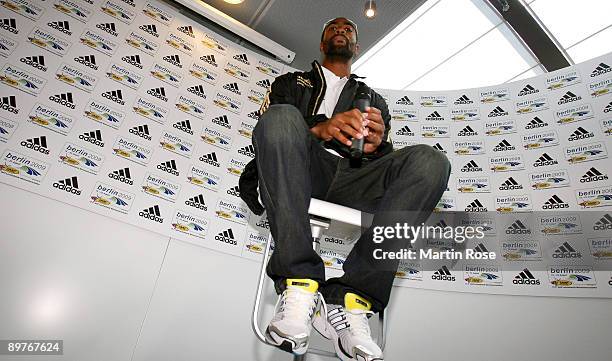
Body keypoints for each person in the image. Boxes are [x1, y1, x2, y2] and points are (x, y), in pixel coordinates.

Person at [239, 17, 450, 360]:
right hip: (303, 169)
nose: (341, 31)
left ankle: (350, 301)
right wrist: (322, 128)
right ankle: (299, 285)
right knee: (279, 117)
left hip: (355, 177)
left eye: (348, 30)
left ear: (356, 48)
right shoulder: (290, 82)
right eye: (333, 29)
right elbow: (267, 133)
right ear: (322, 44)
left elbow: (381, 155)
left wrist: (380, 147)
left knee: (431, 162)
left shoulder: (373, 99)